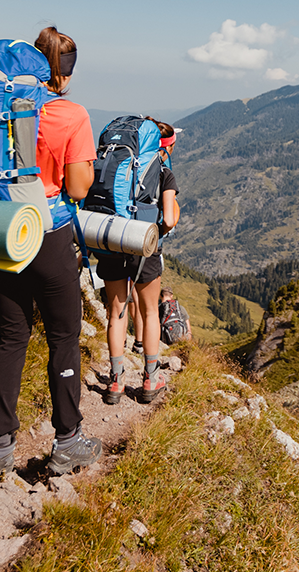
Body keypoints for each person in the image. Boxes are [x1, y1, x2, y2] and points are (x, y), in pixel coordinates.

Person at [0, 27, 101, 481]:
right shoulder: (70, 114)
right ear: (63, 73)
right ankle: (67, 441)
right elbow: (78, 187)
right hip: (46, 233)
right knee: (63, 338)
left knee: (12, 335)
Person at [99, 119, 181, 404]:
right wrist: (158, 233)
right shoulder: (164, 173)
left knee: (116, 313)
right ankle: (150, 377)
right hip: (144, 247)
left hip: (111, 239)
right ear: (165, 146)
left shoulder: (118, 162)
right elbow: (169, 218)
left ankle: (116, 382)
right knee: (149, 313)